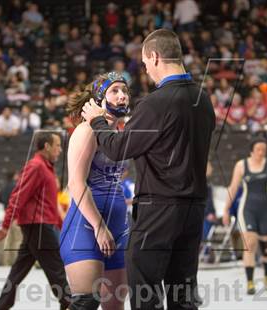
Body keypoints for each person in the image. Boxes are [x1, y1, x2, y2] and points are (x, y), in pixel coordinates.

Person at [82, 29, 215, 309]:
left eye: (145, 63)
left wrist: (97, 121)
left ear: (154, 57)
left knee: (146, 295)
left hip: (160, 209)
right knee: (184, 294)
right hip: (193, 209)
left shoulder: (156, 102)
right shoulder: (202, 98)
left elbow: (118, 150)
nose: (146, 70)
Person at [59, 72, 130, 310]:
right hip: (87, 227)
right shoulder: (86, 131)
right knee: (86, 303)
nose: (122, 96)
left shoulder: (120, 135)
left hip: (119, 226)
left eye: (125, 91)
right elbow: (76, 184)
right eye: (115, 91)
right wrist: (99, 227)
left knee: (115, 307)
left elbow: (118, 175)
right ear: (100, 98)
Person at [0, 132, 70, 310]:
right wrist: (5, 226)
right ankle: (69, 304)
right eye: (57, 146)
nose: (60, 150)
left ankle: (1, 307)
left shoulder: (46, 168)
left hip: (39, 225)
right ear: (46, 147)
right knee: (57, 270)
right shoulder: (36, 167)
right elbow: (18, 196)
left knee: (18, 272)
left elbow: (49, 204)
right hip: (38, 226)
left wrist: (60, 224)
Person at [222, 138, 267, 295]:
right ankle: (250, 282)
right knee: (250, 242)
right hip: (248, 208)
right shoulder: (241, 165)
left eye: (264, 149)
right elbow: (233, 188)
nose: (261, 152)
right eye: (258, 149)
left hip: (265, 210)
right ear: (251, 151)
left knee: (266, 247)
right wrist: (226, 210)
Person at [0, 170, 21, 266]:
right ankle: (16, 262)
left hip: (6, 215)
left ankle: (6, 262)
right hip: (16, 216)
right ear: (14, 176)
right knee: (18, 240)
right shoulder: (17, 186)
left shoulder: (3, 187)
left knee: (7, 241)